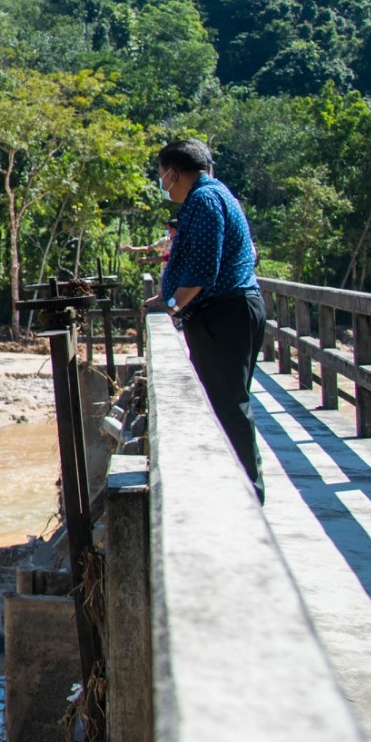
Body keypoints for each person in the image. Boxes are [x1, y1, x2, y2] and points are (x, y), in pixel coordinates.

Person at [142, 138, 266, 498]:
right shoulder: (216, 194)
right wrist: (166, 297)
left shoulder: (204, 200)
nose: (162, 183)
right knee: (226, 402)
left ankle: (248, 495)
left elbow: (203, 269)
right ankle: (237, 486)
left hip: (223, 313)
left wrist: (171, 304)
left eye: (161, 174)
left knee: (228, 406)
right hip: (232, 309)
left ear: (172, 173)